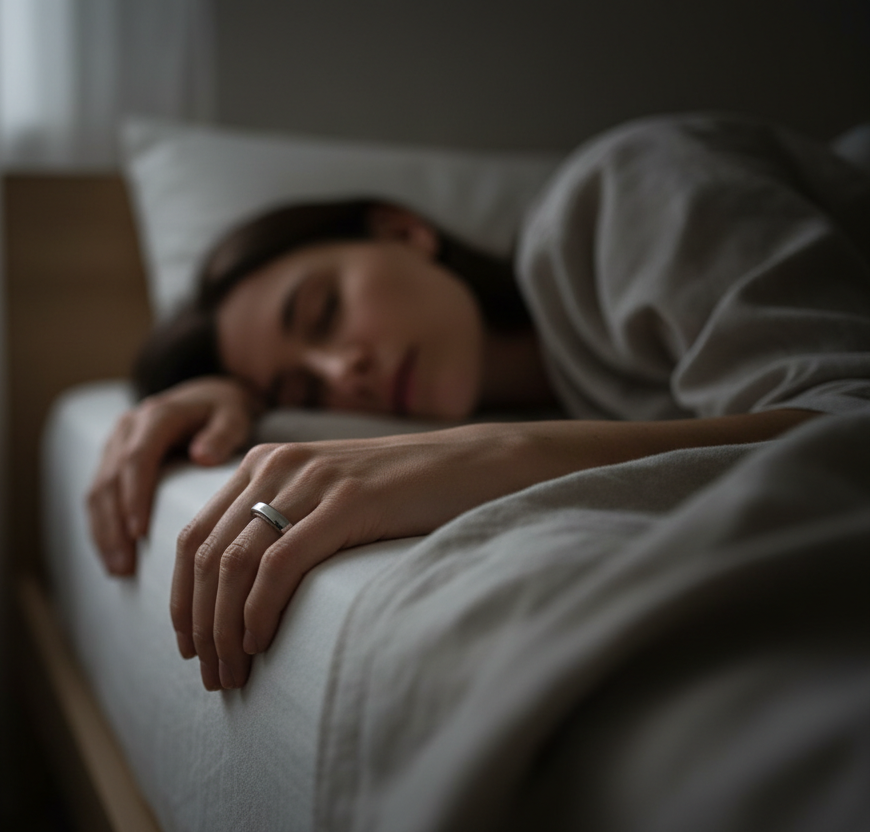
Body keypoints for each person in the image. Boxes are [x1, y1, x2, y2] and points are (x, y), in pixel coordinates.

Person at [86, 113, 870, 693]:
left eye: (322, 312)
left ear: (403, 231)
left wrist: (500, 456)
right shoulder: (566, 383)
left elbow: (849, 420)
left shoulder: (623, 193)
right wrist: (227, 397)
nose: (342, 371)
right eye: (303, 388)